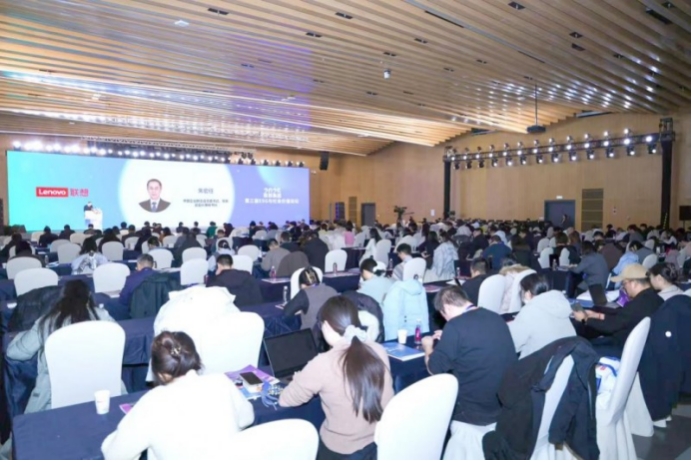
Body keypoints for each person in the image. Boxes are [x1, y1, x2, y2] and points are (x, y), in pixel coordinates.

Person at [101, 331, 253, 459]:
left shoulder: (151, 403)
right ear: (195, 358)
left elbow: (114, 456)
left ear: (159, 372)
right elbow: (247, 418)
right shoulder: (220, 382)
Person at [279, 296, 394, 460]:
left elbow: (285, 399)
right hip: (380, 443)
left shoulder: (322, 364)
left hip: (341, 451)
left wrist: (300, 379)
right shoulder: (378, 350)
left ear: (326, 326)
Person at [7, 280, 117, 413]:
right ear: (89, 297)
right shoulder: (103, 316)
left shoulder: (47, 321)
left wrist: (21, 335)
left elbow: (15, 353)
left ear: (60, 298)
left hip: (53, 400)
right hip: (103, 394)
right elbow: (118, 341)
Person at [421, 286, 516, 427]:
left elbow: (434, 369)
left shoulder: (455, 326)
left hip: (473, 411)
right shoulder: (495, 317)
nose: (446, 320)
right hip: (502, 402)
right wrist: (449, 338)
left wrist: (428, 347)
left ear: (447, 308)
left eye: (443, 315)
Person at [573, 264, 664, 357]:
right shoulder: (655, 299)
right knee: (586, 343)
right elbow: (623, 317)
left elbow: (611, 327)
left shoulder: (638, 304)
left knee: (578, 349)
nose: (624, 288)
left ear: (634, 283)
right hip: (637, 346)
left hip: (624, 349)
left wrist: (584, 320)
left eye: (624, 283)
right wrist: (598, 315)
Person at [508, 274, 576, 359]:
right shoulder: (559, 302)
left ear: (528, 293)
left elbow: (512, 344)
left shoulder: (529, 311)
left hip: (540, 363)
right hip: (566, 360)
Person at [283, 267, 338, 332]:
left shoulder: (304, 294)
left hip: (311, 335)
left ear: (302, 285)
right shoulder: (332, 290)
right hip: (332, 333)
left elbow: (287, 312)